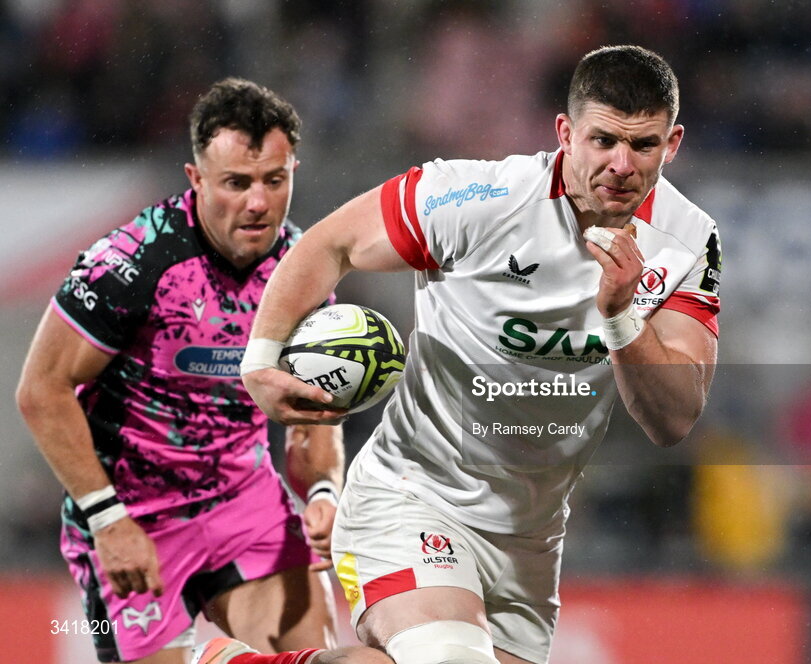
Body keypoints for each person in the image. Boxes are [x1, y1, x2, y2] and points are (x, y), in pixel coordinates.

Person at [200, 45, 722, 664]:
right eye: (603, 140)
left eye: (643, 145)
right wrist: (260, 358)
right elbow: (331, 243)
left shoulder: (690, 242)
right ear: (565, 134)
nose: (621, 164)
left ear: (673, 144)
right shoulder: (478, 198)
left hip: (530, 537)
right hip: (413, 495)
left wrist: (620, 318)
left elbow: (674, 417)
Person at [16, 78, 387, 664]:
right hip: (133, 510)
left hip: (245, 502)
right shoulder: (132, 262)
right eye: (237, 183)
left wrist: (321, 490)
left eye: (274, 180)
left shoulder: (303, 272)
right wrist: (106, 518)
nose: (258, 202)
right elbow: (41, 390)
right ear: (196, 180)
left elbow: (313, 410)